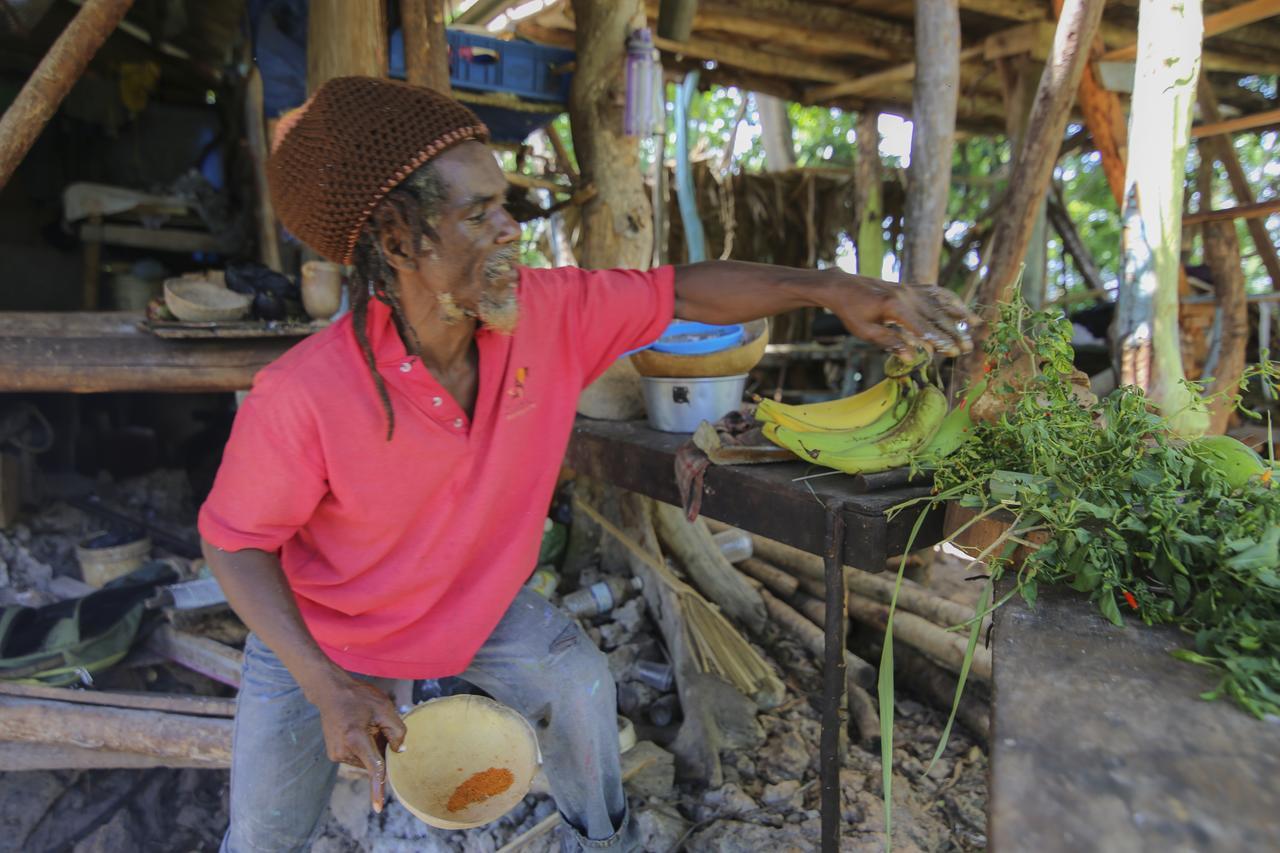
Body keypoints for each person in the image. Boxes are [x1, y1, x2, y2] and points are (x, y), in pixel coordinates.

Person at [200, 75, 977, 852]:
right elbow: (233, 543)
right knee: (262, 834)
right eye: (478, 214)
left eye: (504, 205)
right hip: (321, 636)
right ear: (401, 243)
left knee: (579, 683)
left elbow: (683, 293)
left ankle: (599, 838)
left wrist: (833, 287)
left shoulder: (549, 316)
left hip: (472, 613)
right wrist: (321, 681)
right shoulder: (304, 394)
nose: (511, 230)